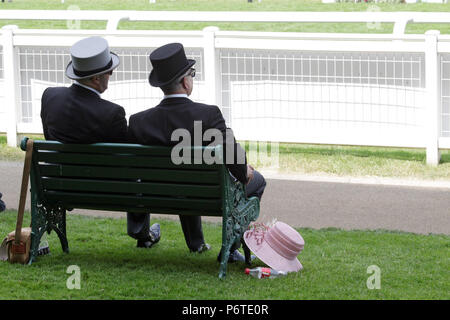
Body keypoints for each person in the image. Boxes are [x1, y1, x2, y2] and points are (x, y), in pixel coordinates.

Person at [127, 43, 266, 262]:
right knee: (257, 180)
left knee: (182, 179)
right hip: (204, 194)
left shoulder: (138, 122)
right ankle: (230, 249)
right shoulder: (209, 115)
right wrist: (244, 172)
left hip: (155, 194)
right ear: (185, 81)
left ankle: (189, 242)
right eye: (191, 74)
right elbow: (235, 161)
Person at [40, 36, 161, 249]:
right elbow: (127, 161)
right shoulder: (111, 113)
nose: (111, 75)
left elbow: (49, 137)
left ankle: (40, 240)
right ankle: (141, 234)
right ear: (96, 79)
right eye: (109, 72)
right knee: (138, 176)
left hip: (56, 184)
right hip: (107, 190)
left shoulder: (50, 96)